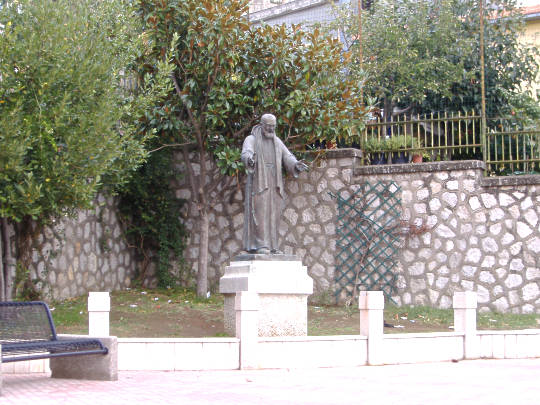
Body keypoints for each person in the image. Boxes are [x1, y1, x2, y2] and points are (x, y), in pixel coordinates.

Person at [241, 113, 308, 254]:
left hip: (274, 182)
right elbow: (246, 152)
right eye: (268, 126)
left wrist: (296, 165)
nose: (271, 130)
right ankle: (261, 245)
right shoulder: (251, 139)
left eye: (273, 127)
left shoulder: (277, 141)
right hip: (259, 182)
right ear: (261, 124)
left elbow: (287, 156)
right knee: (259, 214)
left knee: (274, 213)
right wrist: (249, 159)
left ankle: (273, 246)